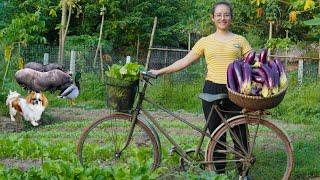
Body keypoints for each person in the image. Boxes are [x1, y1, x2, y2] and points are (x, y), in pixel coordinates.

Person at [149, 1, 252, 179]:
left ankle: (243, 172)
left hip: (236, 90)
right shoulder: (205, 41)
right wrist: (159, 71)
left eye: (226, 14)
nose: (222, 18)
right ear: (212, 18)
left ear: (231, 18)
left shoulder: (240, 40)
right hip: (211, 89)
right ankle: (219, 174)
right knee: (216, 133)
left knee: (239, 132)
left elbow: (253, 62)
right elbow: (184, 61)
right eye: (218, 15)